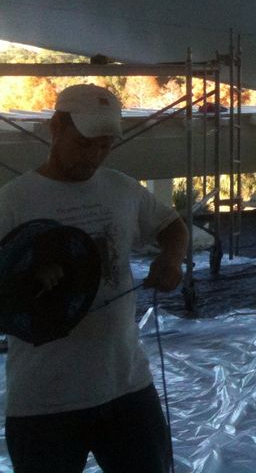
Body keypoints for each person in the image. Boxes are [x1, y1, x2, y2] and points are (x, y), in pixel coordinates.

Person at [0, 84, 189, 473]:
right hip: (45, 401)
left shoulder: (121, 188)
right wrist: (30, 278)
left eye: (105, 146)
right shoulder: (13, 202)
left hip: (126, 386)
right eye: (84, 143)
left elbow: (172, 226)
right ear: (56, 127)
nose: (94, 156)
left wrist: (171, 260)